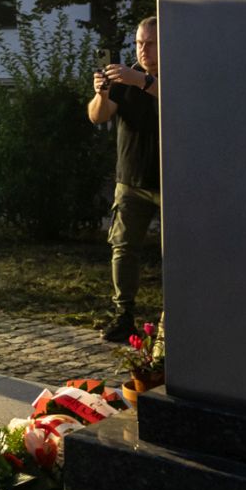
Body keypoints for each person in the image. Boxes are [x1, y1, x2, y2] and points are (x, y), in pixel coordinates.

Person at [88, 17, 160, 343]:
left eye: (151, 43)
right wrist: (101, 94)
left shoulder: (175, 74)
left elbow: (182, 101)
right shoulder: (122, 76)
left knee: (181, 253)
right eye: (139, 43)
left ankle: (174, 320)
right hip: (130, 180)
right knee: (123, 249)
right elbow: (97, 116)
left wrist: (142, 80)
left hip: (171, 182)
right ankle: (124, 315)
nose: (143, 50)